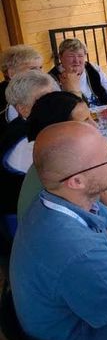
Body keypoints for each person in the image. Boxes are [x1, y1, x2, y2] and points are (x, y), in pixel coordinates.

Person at [10, 121, 107, 340]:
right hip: (105, 337)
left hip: (85, 315)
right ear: (76, 181)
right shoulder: (80, 252)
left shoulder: (61, 199)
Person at [16, 91, 107, 220]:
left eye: (90, 117)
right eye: (85, 121)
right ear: (61, 131)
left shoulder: (52, 156)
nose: (95, 125)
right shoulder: (68, 167)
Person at [0, 71, 58, 232]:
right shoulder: (27, 141)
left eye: (52, 96)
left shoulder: (31, 125)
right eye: (43, 100)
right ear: (23, 109)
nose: (53, 103)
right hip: (25, 221)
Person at [49, 38, 107, 106]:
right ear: (60, 57)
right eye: (71, 56)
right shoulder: (52, 79)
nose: (76, 61)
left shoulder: (92, 68)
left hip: (104, 113)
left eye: (80, 56)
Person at [0, 44, 43, 132]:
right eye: (33, 69)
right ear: (12, 73)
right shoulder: (5, 100)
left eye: (40, 68)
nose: (40, 73)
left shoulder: (40, 89)